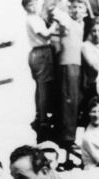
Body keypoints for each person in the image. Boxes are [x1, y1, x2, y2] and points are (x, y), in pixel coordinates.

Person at [50, 0, 86, 149]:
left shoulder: (82, 24)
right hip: (68, 63)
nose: (77, 10)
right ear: (69, 9)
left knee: (77, 100)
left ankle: (71, 135)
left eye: (80, 8)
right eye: (74, 8)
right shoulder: (67, 21)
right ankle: (67, 137)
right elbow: (54, 11)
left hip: (79, 64)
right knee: (68, 100)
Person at [23, 0, 58, 141]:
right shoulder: (32, 19)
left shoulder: (35, 18)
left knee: (40, 86)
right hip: (41, 52)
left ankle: (40, 115)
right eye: (30, 5)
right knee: (44, 86)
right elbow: (45, 34)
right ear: (25, 8)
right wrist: (55, 23)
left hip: (37, 52)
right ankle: (43, 118)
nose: (34, 7)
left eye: (34, 4)